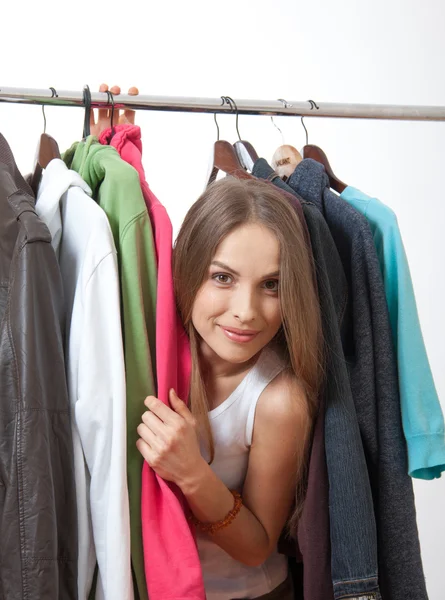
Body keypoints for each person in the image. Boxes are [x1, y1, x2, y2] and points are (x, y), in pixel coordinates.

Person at [93, 85, 323, 599]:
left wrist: (192, 473)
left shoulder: (277, 398)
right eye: (223, 278)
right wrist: (107, 153)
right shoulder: (158, 341)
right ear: (189, 269)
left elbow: (259, 545)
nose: (246, 311)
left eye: (272, 285)